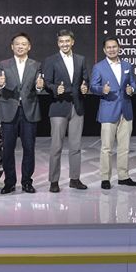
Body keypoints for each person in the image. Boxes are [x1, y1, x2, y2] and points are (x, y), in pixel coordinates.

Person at [0, 32, 46, 194]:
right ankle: (9, 182)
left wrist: (39, 87)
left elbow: (38, 87)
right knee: (8, 148)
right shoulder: (4, 64)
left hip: (29, 110)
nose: (20, 46)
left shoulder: (36, 65)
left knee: (29, 148)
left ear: (29, 47)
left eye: (24, 44)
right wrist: (0, 83)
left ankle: (27, 182)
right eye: (17, 44)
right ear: (12, 47)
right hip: (9, 110)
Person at [40, 29, 90, 192]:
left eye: (67, 41)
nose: (64, 44)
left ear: (72, 42)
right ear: (58, 43)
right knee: (56, 146)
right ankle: (54, 181)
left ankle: (75, 179)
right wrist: (56, 88)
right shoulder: (51, 60)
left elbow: (85, 80)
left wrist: (85, 87)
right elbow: (47, 83)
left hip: (77, 106)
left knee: (76, 146)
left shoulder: (81, 59)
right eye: (61, 41)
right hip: (58, 106)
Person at [90, 36, 136, 190]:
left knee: (124, 147)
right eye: (109, 47)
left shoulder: (127, 65)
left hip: (126, 110)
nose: (112, 49)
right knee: (107, 147)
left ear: (119, 48)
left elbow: (133, 82)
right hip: (108, 110)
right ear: (104, 50)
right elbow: (92, 86)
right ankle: (105, 178)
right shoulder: (99, 67)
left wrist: (132, 89)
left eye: (114, 47)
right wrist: (101, 90)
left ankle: (123, 176)